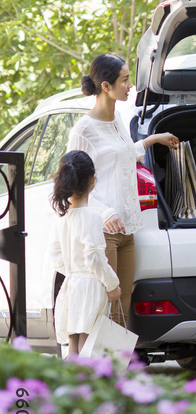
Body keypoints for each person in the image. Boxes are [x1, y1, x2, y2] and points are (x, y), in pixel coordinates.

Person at [67, 53, 179, 327]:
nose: (131, 86)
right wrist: (105, 213)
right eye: (125, 80)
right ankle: (93, 368)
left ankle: (115, 368)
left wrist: (153, 139)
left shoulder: (117, 120)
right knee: (103, 306)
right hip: (103, 230)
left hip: (128, 229)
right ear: (106, 86)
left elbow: (125, 154)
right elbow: (72, 189)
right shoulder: (83, 130)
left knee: (122, 306)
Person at [48, 151, 122, 356]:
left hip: (71, 285)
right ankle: (87, 385)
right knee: (89, 346)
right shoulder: (92, 217)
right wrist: (112, 284)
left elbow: (55, 255)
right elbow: (94, 257)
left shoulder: (61, 218)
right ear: (93, 180)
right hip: (90, 287)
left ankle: (71, 385)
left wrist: (73, 270)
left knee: (73, 346)